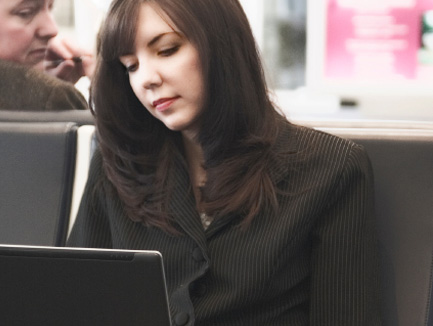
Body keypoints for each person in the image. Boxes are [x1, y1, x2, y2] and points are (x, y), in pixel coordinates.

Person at [67, 0, 382, 325]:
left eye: (167, 50)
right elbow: (73, 303)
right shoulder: (118, 165)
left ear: (221, 44)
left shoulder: (331, 169)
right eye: (131, 66)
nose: (146, 78)